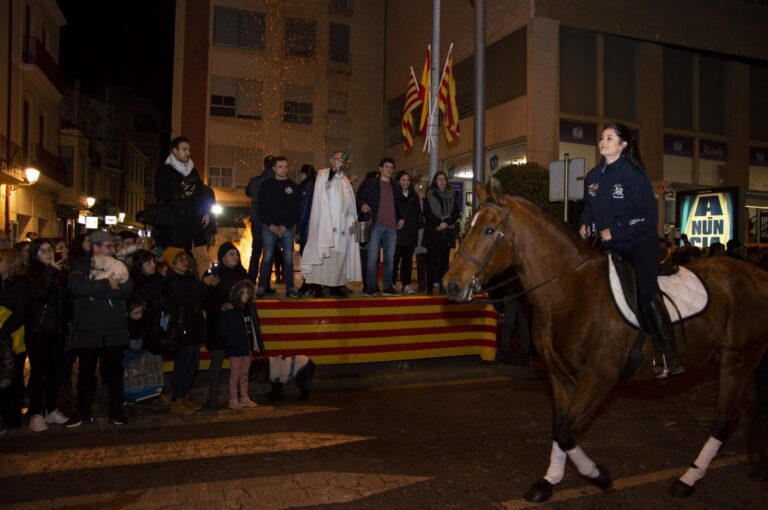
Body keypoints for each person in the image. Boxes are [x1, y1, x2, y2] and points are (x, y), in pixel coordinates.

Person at [578, 122, 683, 378]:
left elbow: (649, 216)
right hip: (609, 246)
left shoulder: (634, 177)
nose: (603, 142)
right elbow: (589, 207)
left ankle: (668, 352)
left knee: (645, 291)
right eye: (602, 137)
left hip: (639, 244)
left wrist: (616, 230)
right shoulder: (592, 176)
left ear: (623, 145)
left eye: (610, 138)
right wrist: (583, 222)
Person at [65, 230, 134, 427]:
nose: (113, 249)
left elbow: (127, 289)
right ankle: (82, 411)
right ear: (96, 247)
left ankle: (116, 411)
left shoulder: (119, 265)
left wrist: (98, 288)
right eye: (108, 246)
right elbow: (78, 288)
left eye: (113, 246)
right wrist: (107, 285)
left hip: (114, 328)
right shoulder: (81, 264)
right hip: (89, 328)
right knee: (86, 374)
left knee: (115, 374)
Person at [163, 248, 218, 414]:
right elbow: (187, 299)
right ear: (172, 263)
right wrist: (204, 285)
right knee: (183, 363)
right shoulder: (172, 280)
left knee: (192, 363)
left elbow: (201, 297)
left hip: (194, 324)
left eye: (185, 259)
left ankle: (185, 395)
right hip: (182, 326)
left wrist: (211, 286)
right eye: (180, 260)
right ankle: (177, 398)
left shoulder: (189, 276)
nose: (185, 262)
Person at [301, 151, 362, 297]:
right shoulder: (324, 174)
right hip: (328, 225)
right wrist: (335, 170)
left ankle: (335, 286)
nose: (341, 161)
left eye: (343, 159)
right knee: (324, 256)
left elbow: (350, 205)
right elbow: (326, 185)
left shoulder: (345, 180)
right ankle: (318, 287)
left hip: (344, 227)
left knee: (339, 258)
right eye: (338, 159)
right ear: (331, 160)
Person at [25, 239, 70, 431]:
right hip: (38, 330)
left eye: (50, 250)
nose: (48, 253)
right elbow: (40, 295)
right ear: (35, 254)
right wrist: (51, 272)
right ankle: (36, 412)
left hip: (57, 330)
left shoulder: (60, 273)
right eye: (42, 251)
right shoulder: (31, 274)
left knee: (54, 371)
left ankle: (51, 408)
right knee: (38, 372)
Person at [203, 242, 249, 409]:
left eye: (236, 254)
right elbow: (204, 299)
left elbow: (249, 298)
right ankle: (212, 398)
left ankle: (239, 397)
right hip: (219, 325)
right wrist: (219, 306)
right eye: (231, 254)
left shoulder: (242, 274)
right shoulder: (213, 274)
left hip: (237, 326)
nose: (235, 257)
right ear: (222, 257)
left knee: (240, 364)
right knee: (217, 361)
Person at [153, 136, 212, 255]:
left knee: (191, 256)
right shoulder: (165, 170)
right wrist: (181, 194)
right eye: (184, 149)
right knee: (174, 255)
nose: (188, 153)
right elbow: (160, 193)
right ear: (175, 151)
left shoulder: (192, 170)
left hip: (192, 221)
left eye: (189, 150)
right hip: (173, 223)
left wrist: (206, 212)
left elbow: (201, 193)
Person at [357, 157, 405, 296]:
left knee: (390, 259)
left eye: (391, 167)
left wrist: (401, 218)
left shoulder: (396, 186)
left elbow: (399, 204)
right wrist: (363, 205)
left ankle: (388, 287)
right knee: (372, 258)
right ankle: (371, 286)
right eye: (386, 167)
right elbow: (359, 197)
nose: (389, 169)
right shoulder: (370, 184)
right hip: (375, 226)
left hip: (391, 227)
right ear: (380, 168)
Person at [256, 156, 300, 298]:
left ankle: (290, 288)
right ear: (274, 168)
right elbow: (261, 207)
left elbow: (296, 210)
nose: (283, 169)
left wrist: (285, 226)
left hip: (286, 228)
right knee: (267, 257)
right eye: (280, 166)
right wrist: (270, 225)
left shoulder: (293, 186)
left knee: (288, 258)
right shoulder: (266, 185)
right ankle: (262, 287)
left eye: (286, 167)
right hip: (269, 227)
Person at [218, 280, 264, 410]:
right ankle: (233, 399)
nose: (246, 295)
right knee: (235, 374)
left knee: (244, 373)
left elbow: (255, 327)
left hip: (247, 346)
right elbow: (222, 329)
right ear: (236, 293)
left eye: (248, 293)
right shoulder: (230, 310)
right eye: (243, 292)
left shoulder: (250, 309)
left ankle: (244, 397)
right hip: (236, 348)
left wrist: (257, 343)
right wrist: (231, 341)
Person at [0, 249, 30, 432]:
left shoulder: (20, 284)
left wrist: (3, 331)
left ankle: (12, 416)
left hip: (14, 338)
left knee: (14, 376)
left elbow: (21, 312)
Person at [423, 171, 461, 295]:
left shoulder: (452, 194)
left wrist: (446, 223)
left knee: (444, 262)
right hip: (433, 232)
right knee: (431, 261)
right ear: (435, 181)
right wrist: (439, 223)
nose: (442, 181)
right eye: (440, 179)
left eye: (444, 179)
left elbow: (456, 212)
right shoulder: (429, 194)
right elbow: (427, 213)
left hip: (446, 233)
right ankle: (429, 288)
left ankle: (443, 287)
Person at [245, 156, 275, 285]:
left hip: (256, 220)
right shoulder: (276, 181)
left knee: (256, 251)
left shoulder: (254, 181)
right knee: (268, 253)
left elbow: (248, 192)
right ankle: (265, 283)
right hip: (270, 222)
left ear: (263, 166)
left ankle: (251, 280)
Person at [393, 171, 421, 295]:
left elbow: (417, 214)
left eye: (408, 180)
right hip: (397, 232)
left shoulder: (414, 197)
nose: (406, 182)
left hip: (410, 233)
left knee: (407, 261)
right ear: (398, 181)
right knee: (394, 260)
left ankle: (407, 284)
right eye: (403, 180)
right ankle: (391, 283)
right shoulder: (394, 195)